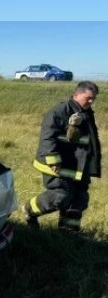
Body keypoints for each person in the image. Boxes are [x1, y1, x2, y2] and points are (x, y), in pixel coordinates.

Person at [22, 81, 101, 233]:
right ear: (76, 94)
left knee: (79, 199)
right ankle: (28, 210)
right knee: (60, 196)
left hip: (78, 165)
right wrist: (53, 160)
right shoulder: (59, 111)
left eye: (93, 99)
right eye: (88, 98)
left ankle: (69, 231)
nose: (91, 102)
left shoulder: (86, 113)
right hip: (58, 164)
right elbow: (47, 138)